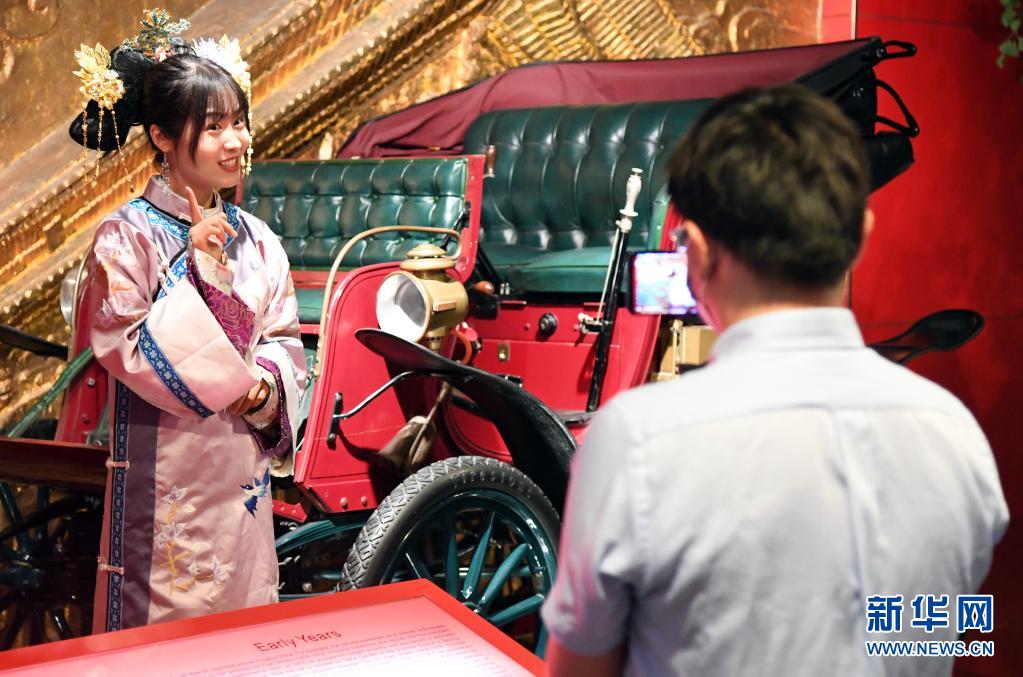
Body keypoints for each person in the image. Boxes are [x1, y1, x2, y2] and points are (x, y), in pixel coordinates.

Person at [542, 84, 1009, 676]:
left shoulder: (636, 441)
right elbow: (937, 637)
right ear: (860, 236)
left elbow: (582, 667)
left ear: (697, 253)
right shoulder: (958, 436)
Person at [69, 12, 304, 632]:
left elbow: (282, 338)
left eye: (239, 122)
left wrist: (263, 392)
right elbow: (127, 346)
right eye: (214, 127)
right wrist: (196, 272)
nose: (236, 142)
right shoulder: (126, 236)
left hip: (242, 474)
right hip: (167, 479)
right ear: (163, 137)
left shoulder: (260, 239)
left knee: (245, 628)